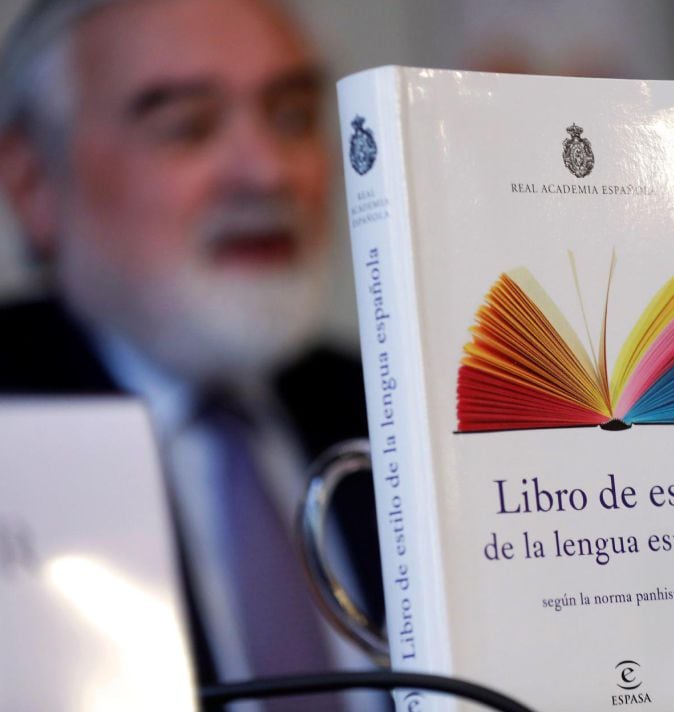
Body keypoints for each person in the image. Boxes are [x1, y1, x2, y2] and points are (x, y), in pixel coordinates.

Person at [0, 0, 386, 709]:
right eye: (188, 127)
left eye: (294, 117)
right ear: (33, 183)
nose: (267, 173)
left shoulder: (392, 410)